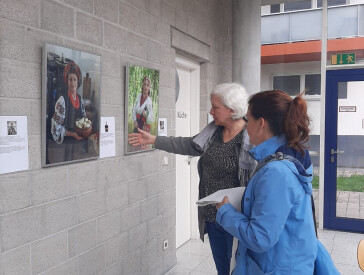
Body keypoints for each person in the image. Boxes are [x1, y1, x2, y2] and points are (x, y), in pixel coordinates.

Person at [129, 83, 257, 275]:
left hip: (238, 222)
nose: (211, 111)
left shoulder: (252, 139)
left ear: (231, 110)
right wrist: (154, 140)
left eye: (215, 107)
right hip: (213, 219)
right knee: (223, 270)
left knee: (241, 270)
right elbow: (188, 144)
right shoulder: (213, 132)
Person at [216, 90, 339, 274]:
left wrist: (226, 212)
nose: (245, 127)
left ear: (261, 123)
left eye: (248, 120)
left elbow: (260, 238)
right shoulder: (290, 157)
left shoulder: (276, 171)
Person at [51, 61, 87, 144]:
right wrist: (73, 134)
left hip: (79, 141)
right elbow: (56, 128)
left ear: (78, 82)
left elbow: (84, 119)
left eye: (75, 79)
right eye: (70, 79)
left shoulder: (80, 99)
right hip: (66, 143)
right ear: (67, 82)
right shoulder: (62, 100)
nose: (73, 83)